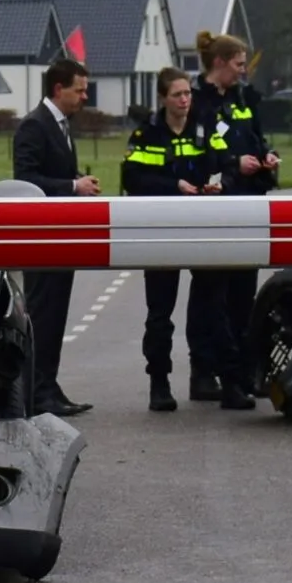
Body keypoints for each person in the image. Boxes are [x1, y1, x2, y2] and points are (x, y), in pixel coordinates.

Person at [121, 68, 221, 412]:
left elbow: (220, 162)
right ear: (163, 98)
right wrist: (172, 185)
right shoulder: (147, 134)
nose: (184, 100)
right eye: (177, 94)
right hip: (161, 230)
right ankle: (159, 382)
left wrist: (215, 183)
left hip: (201, 227)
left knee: (207, 305)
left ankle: (203, 374)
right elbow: (132, 178)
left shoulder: (203, 128)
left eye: (188, 93)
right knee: (160, 312)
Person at [194, 31, 277, 409]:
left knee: (244, 293)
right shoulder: (196, 102)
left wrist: (266, 158)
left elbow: (256, 139)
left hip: (249, 205)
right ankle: (206, 372)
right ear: (220, 63)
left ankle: (242, 373)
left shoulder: (244, 100)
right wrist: (232, 164)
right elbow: (196, 154)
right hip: (216, 206)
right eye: (239, 65)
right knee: (211, 296)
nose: (244, 72)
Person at [14, 56, 99, 418]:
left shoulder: (60, 125)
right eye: (79, 90)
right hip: (41, 241)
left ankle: (49, 385)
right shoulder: (34, 126)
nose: (85, 97)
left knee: (56, 317)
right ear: (58, 89)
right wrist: (72, 185)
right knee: (43, 317)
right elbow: (27, 179)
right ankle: (37, 392)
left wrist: (76, 179)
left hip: (61, 240)